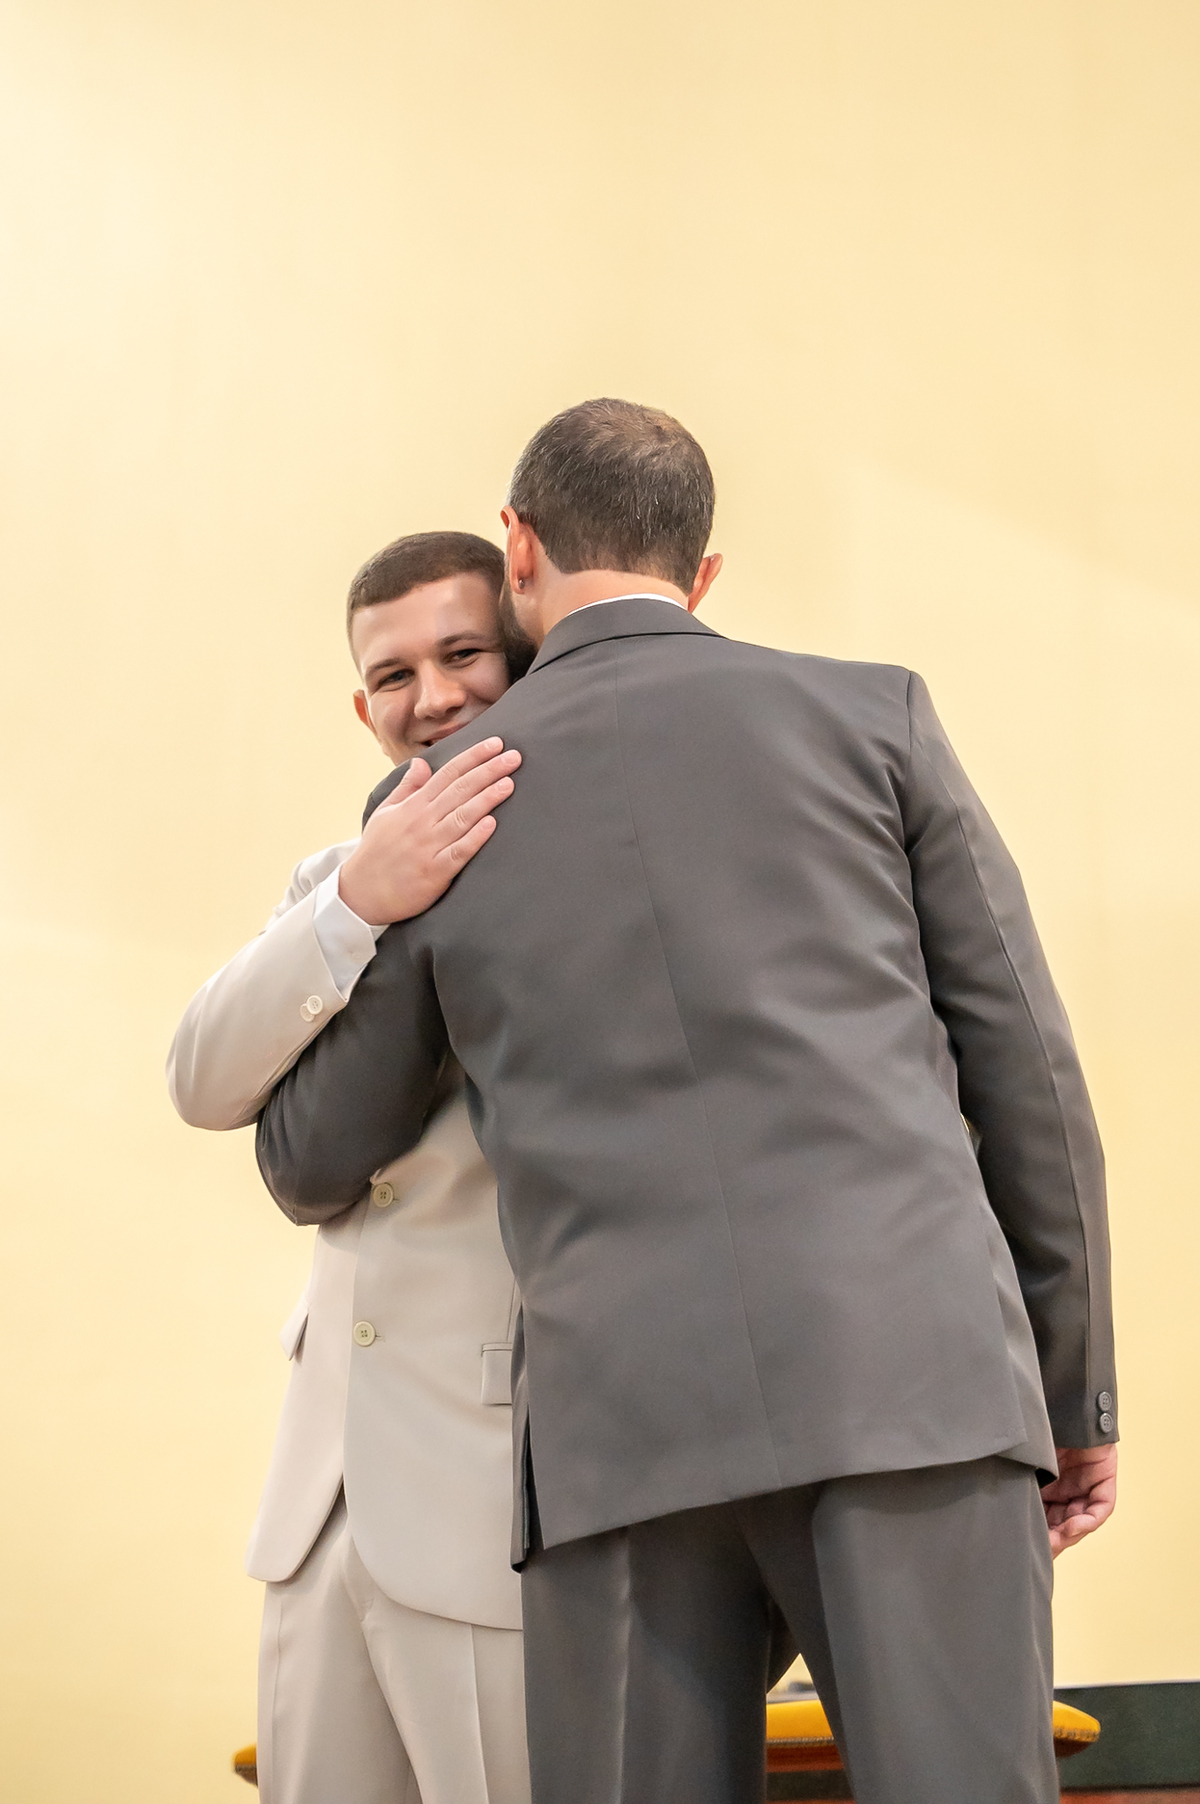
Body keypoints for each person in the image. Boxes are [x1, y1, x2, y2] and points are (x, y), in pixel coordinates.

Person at [255, 400, 1119, 1804]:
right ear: (701, 573)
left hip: (618, 1433)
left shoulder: (444, 797)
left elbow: (312, 1154)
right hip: (915, 1387)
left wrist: (361, 899)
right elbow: (1028, 1071)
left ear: (517, 548)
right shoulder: (874, 716)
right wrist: (1075, 1391)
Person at [169, 531, 533, 1804]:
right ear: (361, 703)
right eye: (393, 674)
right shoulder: (329, 878)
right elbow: (203, 1078)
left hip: (486, 1499)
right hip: (316, 1506)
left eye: (463, 653)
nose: (430, 696)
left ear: (523, 647)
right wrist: (357, 902)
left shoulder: (587, 864)